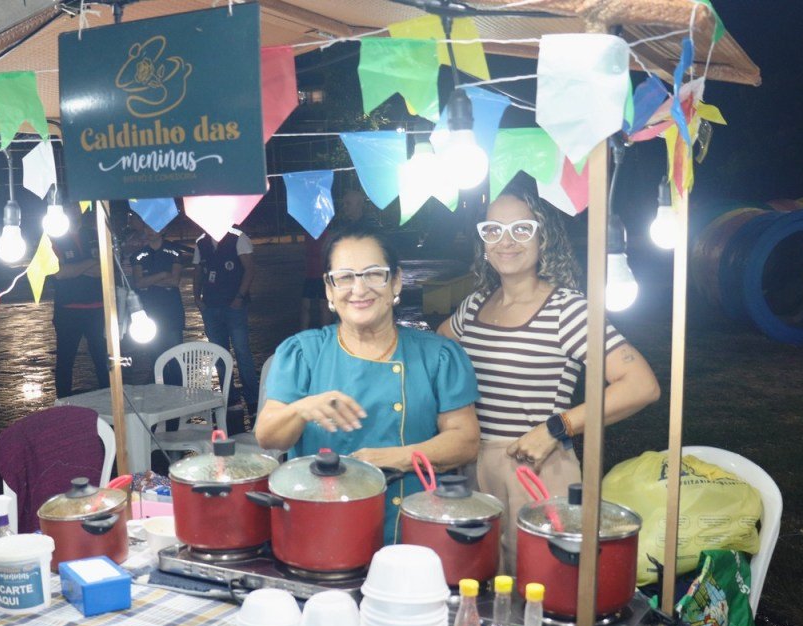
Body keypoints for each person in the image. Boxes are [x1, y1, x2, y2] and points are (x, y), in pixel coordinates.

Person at [438, 188, 661, 573]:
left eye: (521, 230)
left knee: (542, 592)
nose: (505, 241)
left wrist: (557, 427)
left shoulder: (566, 310)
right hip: (472, 469)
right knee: (483, 588)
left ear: (543, 238)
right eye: (492, 230)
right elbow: (433, 355)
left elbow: (641, 384)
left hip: (536, 468)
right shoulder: (474, 307)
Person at [256, 228, 481, 544]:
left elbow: (465, 441)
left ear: (396, 282)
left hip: (415, 531)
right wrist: (302, 408)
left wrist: (391, 458)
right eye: (345, 277)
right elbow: (267, 435)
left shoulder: (438, 355)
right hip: (322, 530)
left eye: (374, 274)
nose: (359, 289)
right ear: (329, 290)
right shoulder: (303, 353)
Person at [193, 226, 259, 414]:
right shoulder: (201, 241)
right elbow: (197, 271)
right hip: (211, 305)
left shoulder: (238, 237)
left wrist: (239, 297)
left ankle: (252, 397)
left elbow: (249, 269)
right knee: (219, 353)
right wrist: (197, 297)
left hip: (234, 306)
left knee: (242, 351)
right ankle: (229, 396)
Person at [51, 206, 109, 399]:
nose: (74, 211)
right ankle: (63, 406)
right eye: (69, 208)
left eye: (76, 207)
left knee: (103, 360)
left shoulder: (93, 234)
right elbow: (59, 273)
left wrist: (75, 267)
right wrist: (91, 262)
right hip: (68, 311)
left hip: (97, 309)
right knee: (65, 361)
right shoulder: (53, 237)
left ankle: (110, 402)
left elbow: (105, 269)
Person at [301, 187, 379, 330]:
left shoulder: (368, 229)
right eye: (344, 204)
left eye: (348, 203)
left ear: (359, 204)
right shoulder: (346, 226)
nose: (344, 207)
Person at [129, 220, 185, 384]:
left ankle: (179, 394)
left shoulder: (174, 251)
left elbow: (175, 281)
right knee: (155, 356)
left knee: (176, 356)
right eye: (147, 227)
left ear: (164, 229)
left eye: (154, 226)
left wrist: (150, 280)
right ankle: (161, 393)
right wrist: (162, 275)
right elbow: (139, 283)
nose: (151, 230)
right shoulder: (139, 255)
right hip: (150, 312)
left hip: (172, 310)